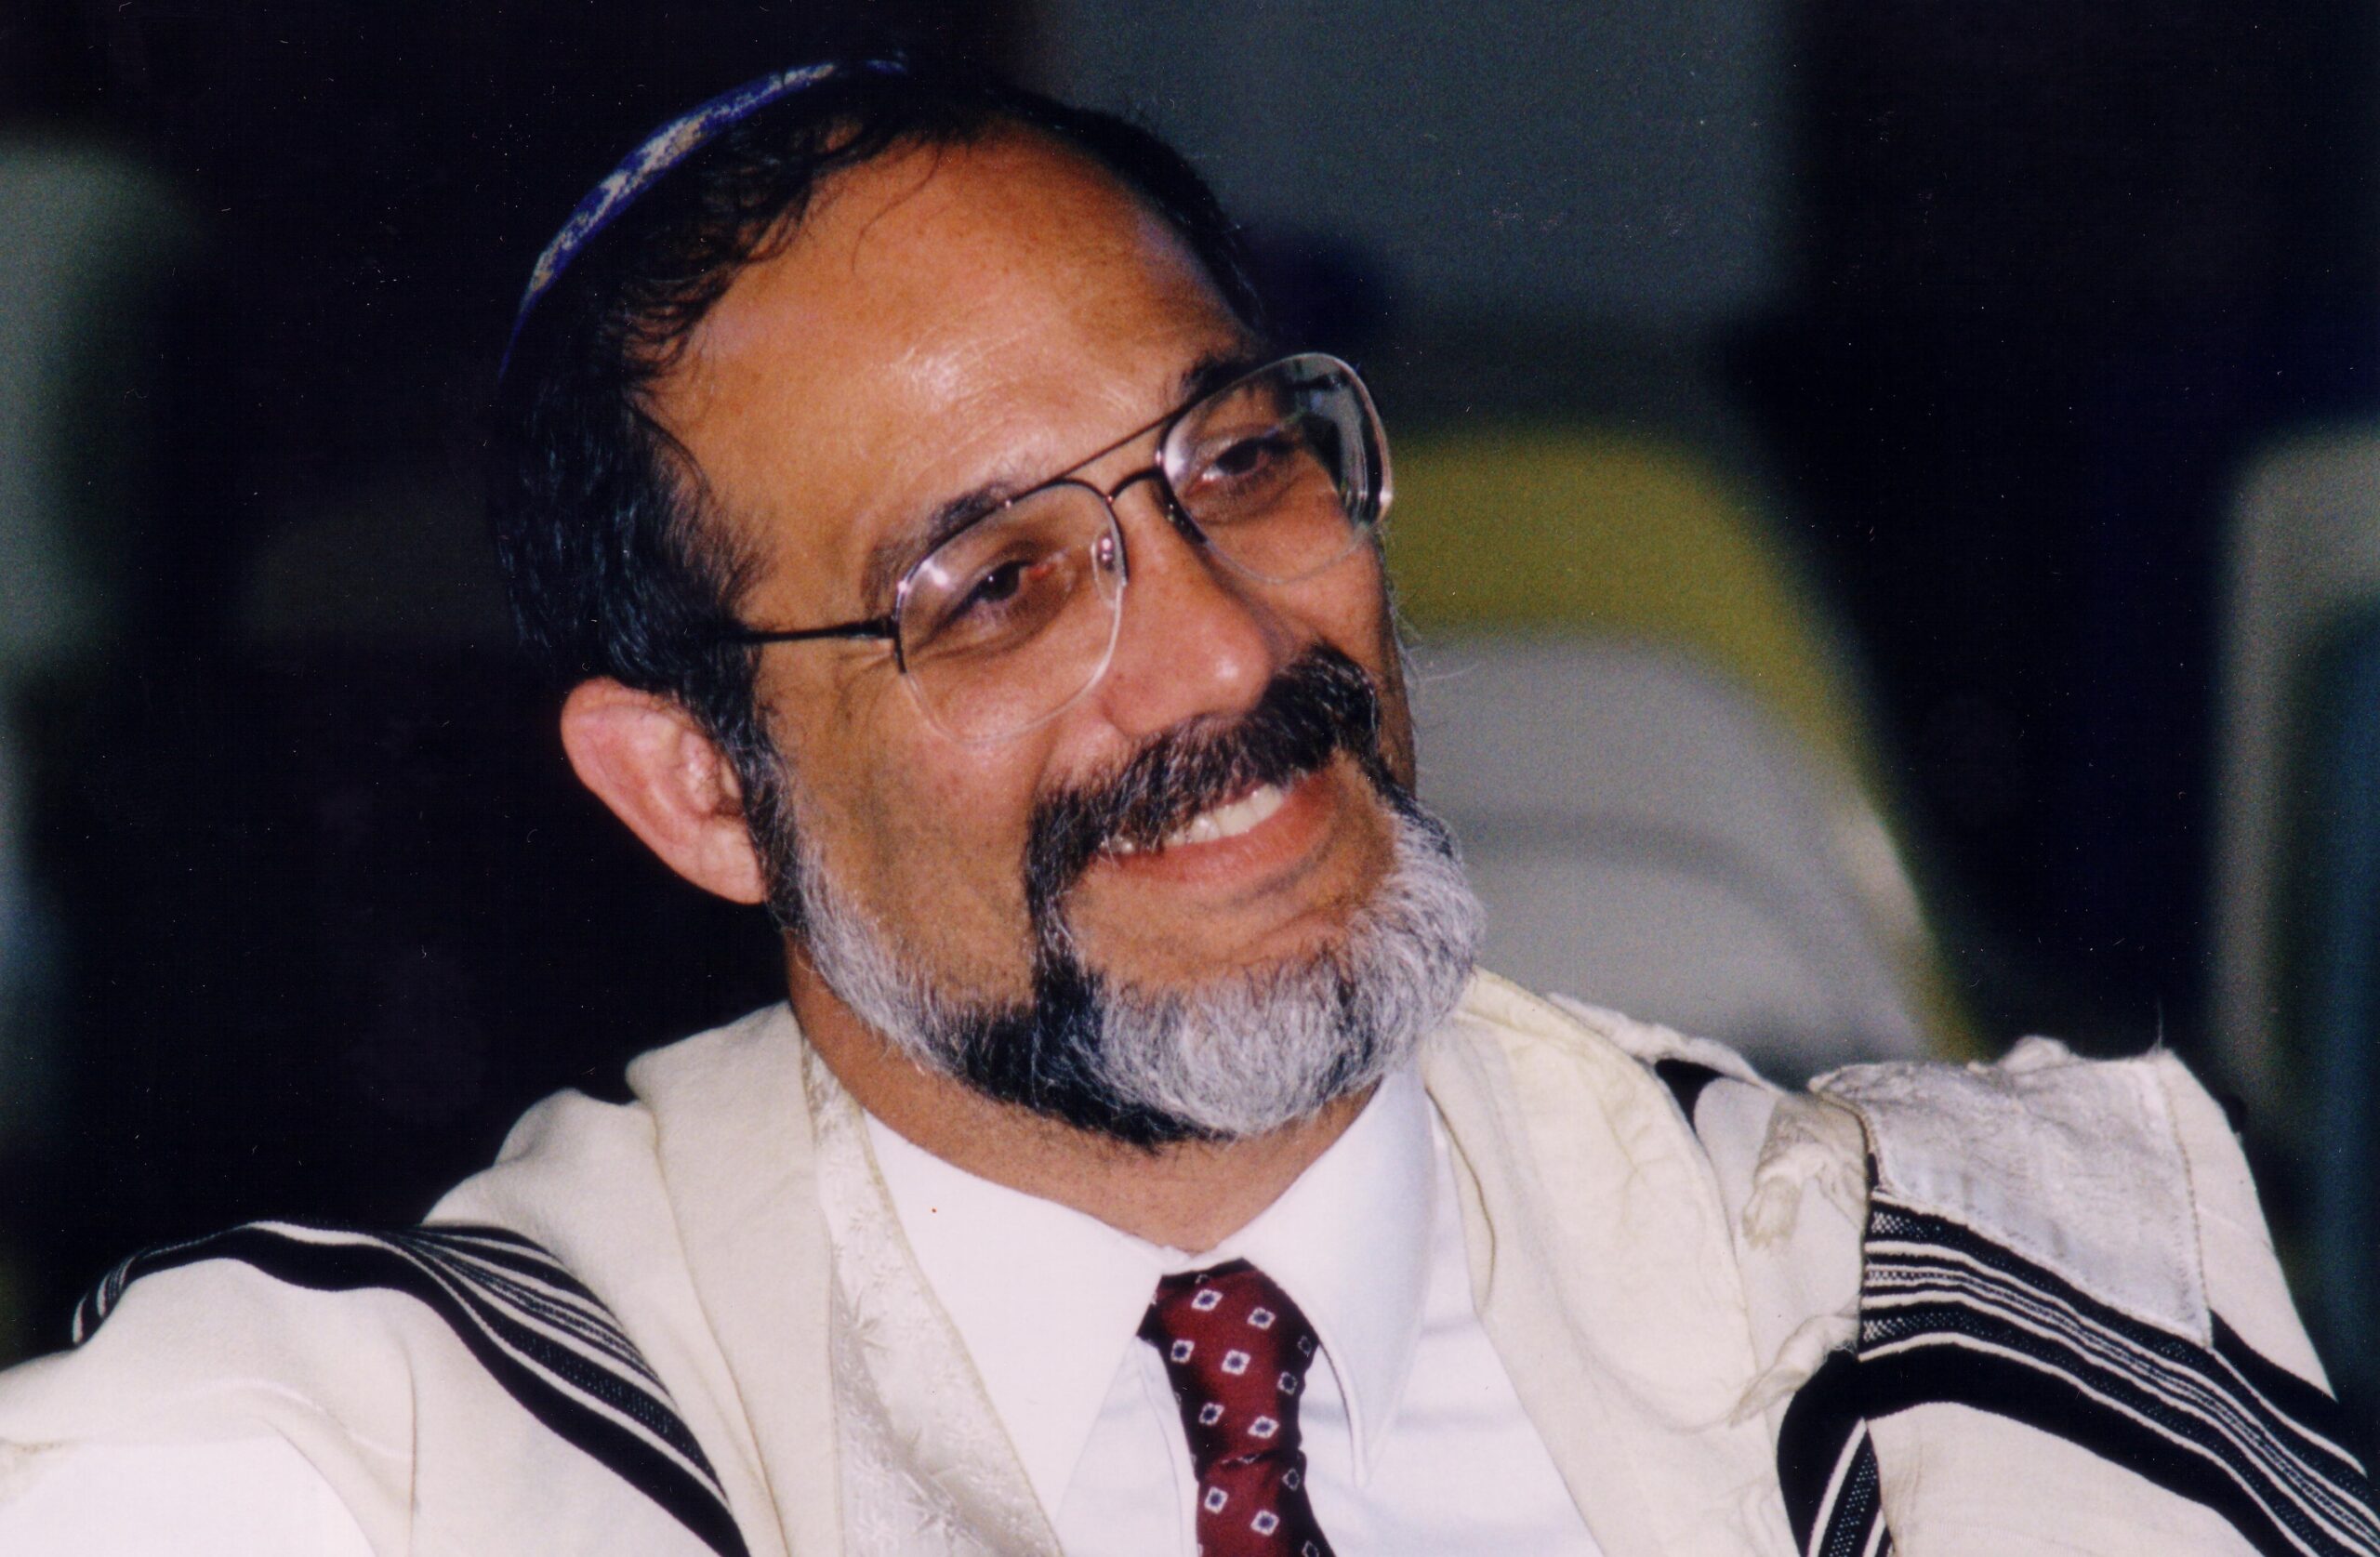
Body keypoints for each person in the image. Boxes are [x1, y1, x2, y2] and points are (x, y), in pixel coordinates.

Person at [0, 57, 2370, 1557]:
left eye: (1236, 458)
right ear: (697, 790)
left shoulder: (1959, 1310)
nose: (1227, 652)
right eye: (992, 583)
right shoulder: (360, 1466)